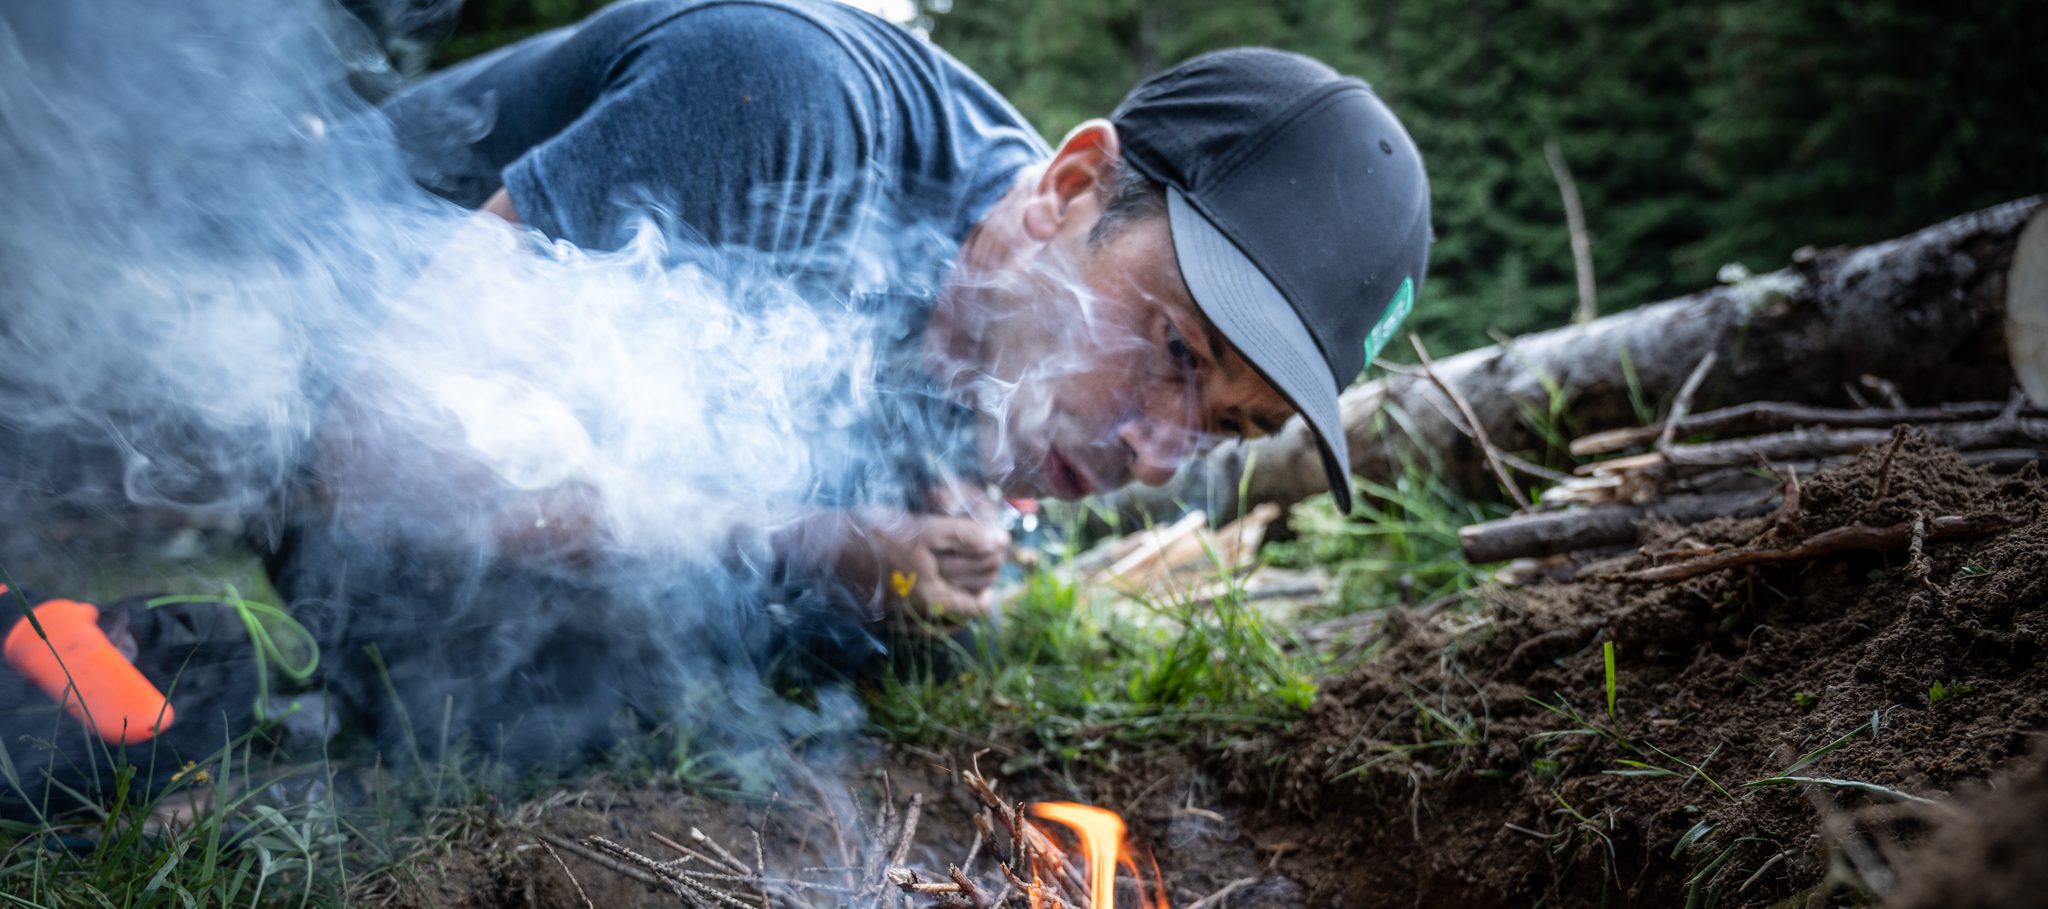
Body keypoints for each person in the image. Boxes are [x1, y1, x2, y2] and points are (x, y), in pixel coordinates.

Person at [275, 0, 1430, 764]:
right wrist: (800, 537)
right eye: (1175, 351)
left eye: (1225, 431)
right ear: (1070, 186)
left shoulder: (1009, 327)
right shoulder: (785, 107)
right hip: (211, 389)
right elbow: (371, 453)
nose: (1155, 452)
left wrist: (921, 564)